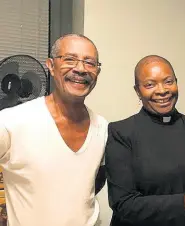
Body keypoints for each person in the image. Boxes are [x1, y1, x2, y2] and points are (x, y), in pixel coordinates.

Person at [105, 55, 185, 226]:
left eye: (168, 81)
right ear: (137, 91)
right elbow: (123, 203)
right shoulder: (122, 132)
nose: (162, 90)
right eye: (150, 84)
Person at [0, 34, 107, 226]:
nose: (80, 69)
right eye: (69, 59)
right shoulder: (11, 121)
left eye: (90, 63)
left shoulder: (103, 128)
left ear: (97, 72)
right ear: (50, 65)